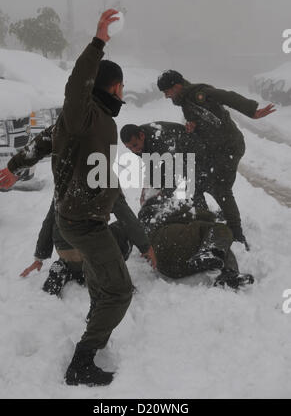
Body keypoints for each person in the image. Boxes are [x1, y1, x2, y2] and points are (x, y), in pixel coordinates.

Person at [0, 9, 135, 388]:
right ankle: (81, 362)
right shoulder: (85, 113)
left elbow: (45, 141)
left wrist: (16, 165)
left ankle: (94, 318)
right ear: (111, 87)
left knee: (99, 278)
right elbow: (77, 85)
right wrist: (99, 42)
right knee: (121, 292)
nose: (123, 91)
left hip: (87, 217)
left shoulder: (97, 121)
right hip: (82, 221)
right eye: (120, 85)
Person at [156, 70, 276, 248]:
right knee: (195, 184)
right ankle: (206, 222)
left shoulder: (200, 93)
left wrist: (252, 111)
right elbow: (199, 120)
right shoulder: (185, 101)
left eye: (167, 92)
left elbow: (229, 97)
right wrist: (192, 126)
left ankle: (237, 234)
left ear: (176, 87)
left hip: (229, 147)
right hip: (213, 149)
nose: (166, 96)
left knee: (221, 188)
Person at [20, 194, 154, 298]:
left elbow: (49, 221)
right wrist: (146, 247)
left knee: (75, 242)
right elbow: (126, 216)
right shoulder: (103, 175)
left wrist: (39, 257)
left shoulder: (63, 176)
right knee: (122, 228)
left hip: (66, 251)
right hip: (93, 252)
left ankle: (66, 267)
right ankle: (110, 274)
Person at [115, 196, 254, 290]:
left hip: (164, 265)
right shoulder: (174, 210)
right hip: (172, 242)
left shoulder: (142, 224)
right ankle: (227, 270)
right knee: (219, 231)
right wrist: (214, 215)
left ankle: (220, 267)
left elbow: (124, 231)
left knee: (218, 245)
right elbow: (205, 216)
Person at [120, 121, 208, 208]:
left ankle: (202, 212)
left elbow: (179, 170)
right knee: (155, 181)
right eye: (129, 148)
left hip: (193, 151)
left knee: (191, 184)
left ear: (142, 136)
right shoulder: (139, 142)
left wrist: (163, 194)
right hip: (172, 154)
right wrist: (146, 189)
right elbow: (150, 164)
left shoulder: (160, 140)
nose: (133, 150)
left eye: (134, 146)